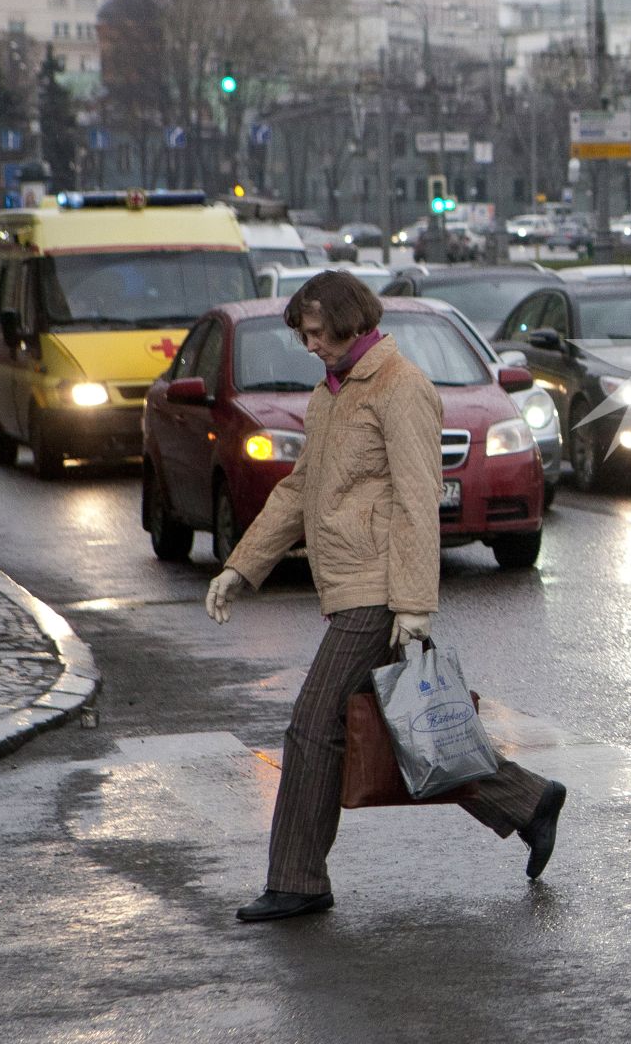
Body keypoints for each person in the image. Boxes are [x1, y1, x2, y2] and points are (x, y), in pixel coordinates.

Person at [206, 271, 567, 922]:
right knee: (410, 728)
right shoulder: (330, 394)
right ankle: (526, 801)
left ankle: (297, 880)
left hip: (378, 588)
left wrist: (413, 605)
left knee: (312, 728)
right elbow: (297, 491)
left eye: (316, 333)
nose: (310, 346)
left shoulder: (400, 388)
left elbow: (416, 498)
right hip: (351, 586)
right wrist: (242, 568)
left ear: (349, 322)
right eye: (304, 336)